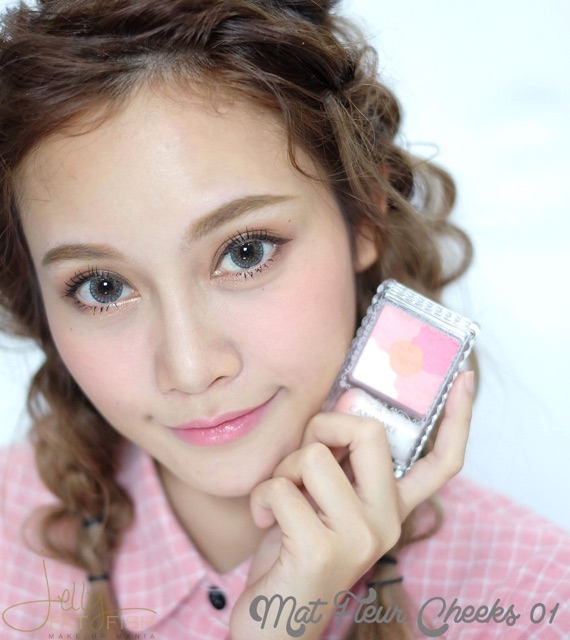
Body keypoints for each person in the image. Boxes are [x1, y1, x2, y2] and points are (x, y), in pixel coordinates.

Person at [0, 1, 568, 639]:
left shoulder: (535, 600)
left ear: (365, 217)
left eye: (245, 252)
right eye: (103, 288)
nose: (191, 369)